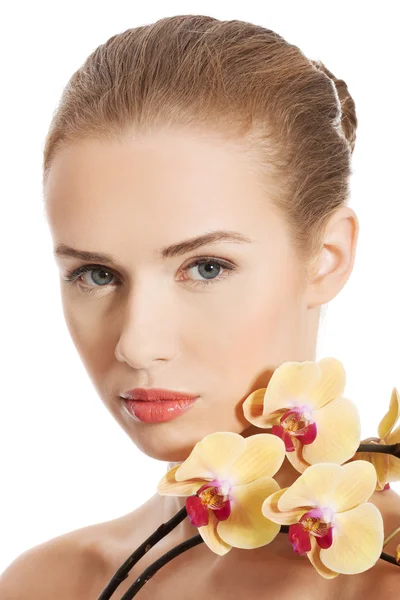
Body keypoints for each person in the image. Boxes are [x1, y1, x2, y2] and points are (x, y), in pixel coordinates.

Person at [1, 14, 399, 599]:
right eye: (96, 273)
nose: (136, 344)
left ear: (327, 257)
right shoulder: (47, 584)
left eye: (206, 267)